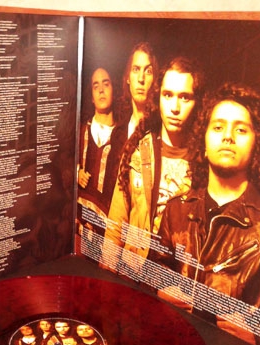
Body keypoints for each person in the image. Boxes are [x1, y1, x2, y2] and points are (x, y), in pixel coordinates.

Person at [150, 82, 260, 345]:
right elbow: (151, 276)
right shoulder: (176, 209)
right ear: (203, 142)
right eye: (218, 127)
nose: (228, 136)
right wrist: (160, 292)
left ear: (257, 144)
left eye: (240, 129)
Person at [102, 57, 204, 276]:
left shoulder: (202, 162)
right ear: (158, 97)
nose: (175, 108)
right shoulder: (138, 149)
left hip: (173, 281)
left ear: (196, 102)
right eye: (168, 95)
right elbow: (116, 222)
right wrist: (106, 277)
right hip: (132, 272)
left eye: (184, 97)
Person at [77, 67, 125, 227]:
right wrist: (75, 173)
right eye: (95, 86)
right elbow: (59, 164)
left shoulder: (122, 139)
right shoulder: (80, 131)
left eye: (106, 84)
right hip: (77, 222)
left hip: (106, 228)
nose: (101, 90)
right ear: (91, 96)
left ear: (114, 90)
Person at [119, 42, 158, 140]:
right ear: (128, 77)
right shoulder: (117, 134)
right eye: (136, 69)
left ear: (154, 79)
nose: (141, 79)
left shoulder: (161, 131)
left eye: (148, 71)